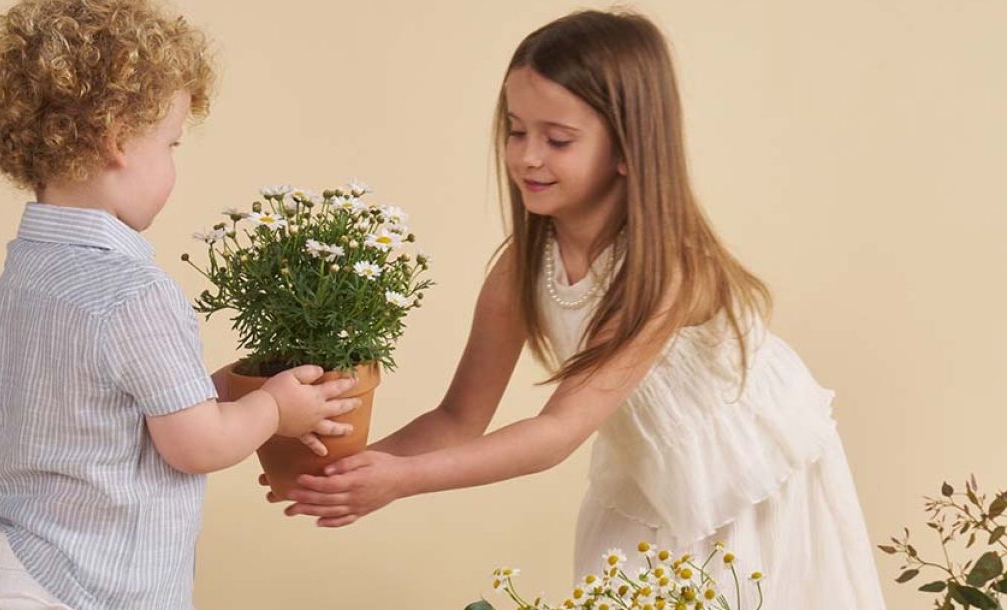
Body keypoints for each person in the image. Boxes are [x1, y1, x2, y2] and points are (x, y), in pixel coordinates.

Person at [279, 10, 886, 607]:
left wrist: (401, 482)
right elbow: (460, 418)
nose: (527, 157)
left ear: (628, 148)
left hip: (745, 477)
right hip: (648, 481)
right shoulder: (522, 265)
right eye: (517, 131)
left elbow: (555, 433)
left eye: (558, 139)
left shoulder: (665, 269)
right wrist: (344, 472)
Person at [0, 1, 356, 607]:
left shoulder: (24, 273)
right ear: (118, 140)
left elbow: (114, 409)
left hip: (14, 568)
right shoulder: (132, 289)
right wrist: (274, 407)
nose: (174, 163)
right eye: (170, 144)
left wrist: (218, 391)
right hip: (94, 585)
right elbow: (194, 444)